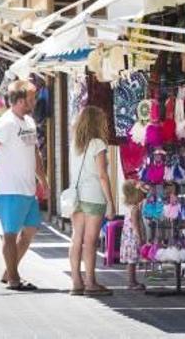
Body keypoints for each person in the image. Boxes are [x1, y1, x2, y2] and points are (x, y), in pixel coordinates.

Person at [0, 80, 49, 291]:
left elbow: (35, 153)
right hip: (9, 189)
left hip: (27, 189)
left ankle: (9, 270)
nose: (35, 101)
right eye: (31, 98)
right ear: (21, 100)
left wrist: (43, 180)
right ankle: (14, 278)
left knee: (30, 230)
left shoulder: (29, 122)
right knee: (10, 235)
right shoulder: (6, 123)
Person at [66, 105, 115, 296]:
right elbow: (102, 175)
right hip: (94, 196)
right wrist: (110, 202)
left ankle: (76, 282)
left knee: (77, 237)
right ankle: (91, 282)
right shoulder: (97, 144)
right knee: (90, 241)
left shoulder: (75, 144)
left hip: (76, 196)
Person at [120, 180, 146, 290]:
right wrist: (140, 238)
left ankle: (133, 281)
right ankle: (131, 282)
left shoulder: (129, 207)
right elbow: (135, 226)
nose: (143, 194)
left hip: (127, 238)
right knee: (132, 261)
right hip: (132, 238)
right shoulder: (135, 209)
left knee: (131, 261)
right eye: (141, 192)